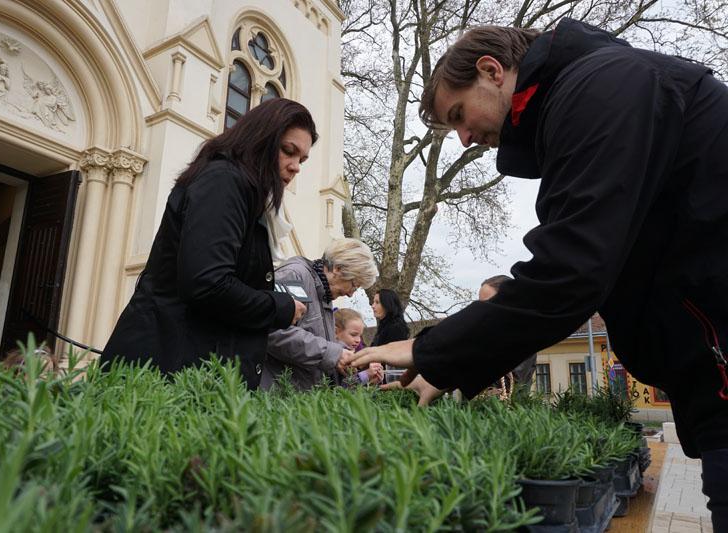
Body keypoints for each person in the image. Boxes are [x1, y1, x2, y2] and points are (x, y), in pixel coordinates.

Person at [350, 19, 728, 528]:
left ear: (492, 71)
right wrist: (447, 364)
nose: (464, 139)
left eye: (458, 115)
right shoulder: (589, 95)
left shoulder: (600, 88)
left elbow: (568, 272)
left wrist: (432, 350)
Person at [101, 98, 313, 389]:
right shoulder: (224, 181)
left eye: (302, 159)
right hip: (167, 371)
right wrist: (280, 307)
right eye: (288, 151)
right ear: (260, 138)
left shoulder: (244, 193)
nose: (296, 167)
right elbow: (207, 282)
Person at [259, 238, 378, 391]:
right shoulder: (294, 275)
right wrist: (333, 354)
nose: (350, 294)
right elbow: (274, 331)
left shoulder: (325, 294)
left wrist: (341, 359)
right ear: (338, 269)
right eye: (353, 285)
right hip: (278, 394)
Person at [334, 308, 384, 386]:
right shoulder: (336, 357)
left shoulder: (354, 352)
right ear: (336, 332)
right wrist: (366, 374)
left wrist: (372, 380)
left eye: (360, 336)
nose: (358, 340)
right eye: (353, 335)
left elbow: (354, 387)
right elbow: (342, 387)